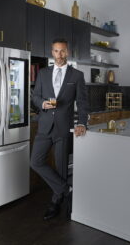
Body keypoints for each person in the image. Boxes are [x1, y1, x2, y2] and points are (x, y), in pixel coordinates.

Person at [31, 38, 89, 220]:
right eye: (56, 51)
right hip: (45, 125)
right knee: (36, 162)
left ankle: (56, 202)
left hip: (63, 127)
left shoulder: (77, 75)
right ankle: (67, 190)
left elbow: (82, 102)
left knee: (61, 167)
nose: (59, 55)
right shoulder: (43, 73)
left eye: (62, 51)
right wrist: (42, 103)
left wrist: (81, 123)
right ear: (52, 52)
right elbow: (35, 96)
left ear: (67, 52)